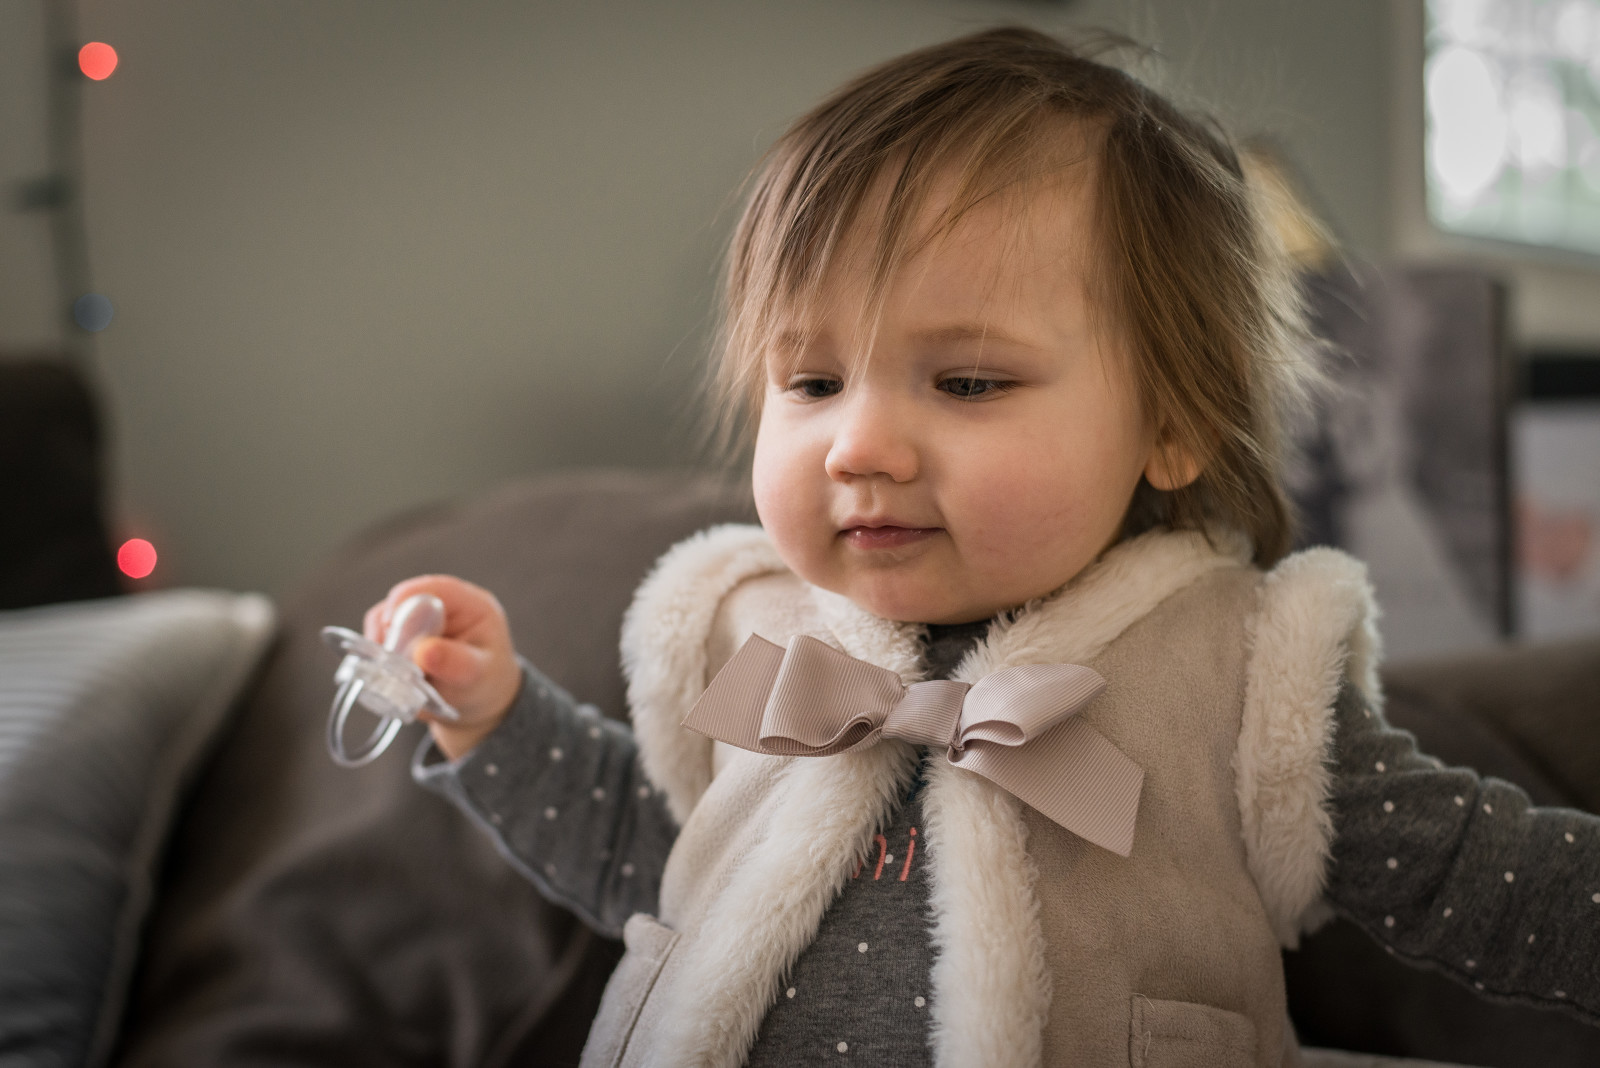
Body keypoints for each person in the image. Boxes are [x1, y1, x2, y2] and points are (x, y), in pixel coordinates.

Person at [363, 28, 1600, 1067]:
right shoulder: (747, 636)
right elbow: (655, 867)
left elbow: (1473, 875)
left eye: (965, 382)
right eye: (811, 381)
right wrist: (495, 722)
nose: (858, 445)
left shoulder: (1241, 668)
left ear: (1171, 424)